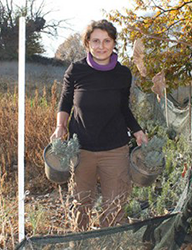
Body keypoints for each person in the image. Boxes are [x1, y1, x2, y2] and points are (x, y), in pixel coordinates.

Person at [50, 19, 148, 230]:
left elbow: (124, 107)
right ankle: (80, 242)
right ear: (87, 44)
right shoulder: (76, 70)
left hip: (115, 150)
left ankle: (109, 242)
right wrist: (60, 126)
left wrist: (137, 131)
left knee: (115, 206)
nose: (101, 46)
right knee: (81, 204)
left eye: (106, 41)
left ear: (114, 44)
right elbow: (65, 102)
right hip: (81, 149)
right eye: (95, 41)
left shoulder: (123, 74)